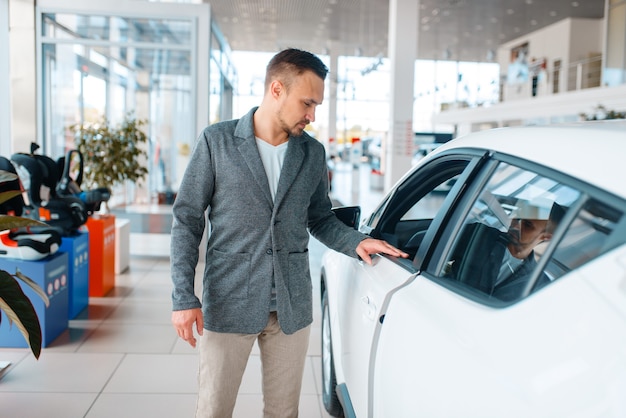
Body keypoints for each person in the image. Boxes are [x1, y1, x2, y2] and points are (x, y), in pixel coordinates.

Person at [170, 48, 408, 418]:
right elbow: (187, 219)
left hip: (291, 309)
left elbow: (320, 218)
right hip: (230, 299)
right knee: (214, 409)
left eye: (316, 106)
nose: (312, 116)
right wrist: (184, 297)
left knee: (283, 413)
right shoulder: (217, 142)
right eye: (307, 103)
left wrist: (355, 240)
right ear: (276, 89)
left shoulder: (311, 153)